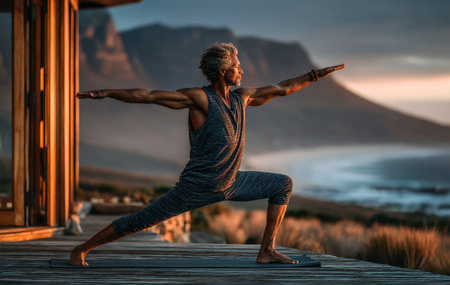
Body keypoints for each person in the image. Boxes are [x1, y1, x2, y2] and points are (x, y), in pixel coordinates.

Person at [71, 42, 344, 266]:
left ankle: (266, 251)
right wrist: (105, 92)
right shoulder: (199, 99)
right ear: (223, 69)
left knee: (283, 184)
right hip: (197, 186)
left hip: (231, 182)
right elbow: (149, 95)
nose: (242, 71)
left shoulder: (243, 97)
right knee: (140, 221)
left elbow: (282, 88)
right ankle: (81, 250)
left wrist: (314, 75)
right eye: (237, 66)